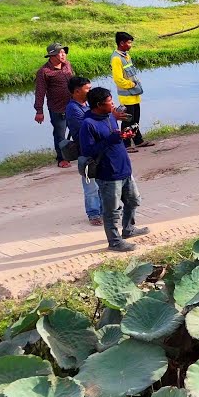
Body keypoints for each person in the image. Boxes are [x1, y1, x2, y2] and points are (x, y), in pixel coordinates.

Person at [79, 87, 148, 252]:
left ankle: (128, 229)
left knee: (133, 200)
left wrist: (124, 136)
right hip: (108, 174)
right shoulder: (88, 125)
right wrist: (112, 139)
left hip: (124, 170)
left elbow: (114, 137)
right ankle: (114, 242)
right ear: (99, 105)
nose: (113, 104)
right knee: (112, 211)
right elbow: (88, 152)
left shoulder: (109, 116)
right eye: (110, 102)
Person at [64, 76, 103, 227]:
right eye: (88, 89)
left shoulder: (87, 104)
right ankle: (94, 213)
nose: (90, 91)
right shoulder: (73, 109)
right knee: (90, 184)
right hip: (86, 151)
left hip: (97, 149)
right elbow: (84, 131)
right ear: (77, 91)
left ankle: (103, 210)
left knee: (100, 182)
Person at [110, 31, 154, 151]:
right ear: (121, 43)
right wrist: (132, 84)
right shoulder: (116, 59)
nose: (130, 45)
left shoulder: (126, 56)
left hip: (134, 94)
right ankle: (126, 144)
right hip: (126, 96)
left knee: (135, 119)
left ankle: (138, 140)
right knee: (127, 120)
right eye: (129, 43)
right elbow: (118, 79)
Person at [34, 43, 75, 169]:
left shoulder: (67, 65)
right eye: (60, 52)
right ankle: (61, 158)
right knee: (60, 134)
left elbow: (74, 82)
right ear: (52, 55)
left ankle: (78, 153)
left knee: (79, 130)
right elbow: (40, 92)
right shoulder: (44, 71)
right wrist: (39, 111)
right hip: (58, 109)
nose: (64, 55)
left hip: (73, 106)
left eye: (64, 52)